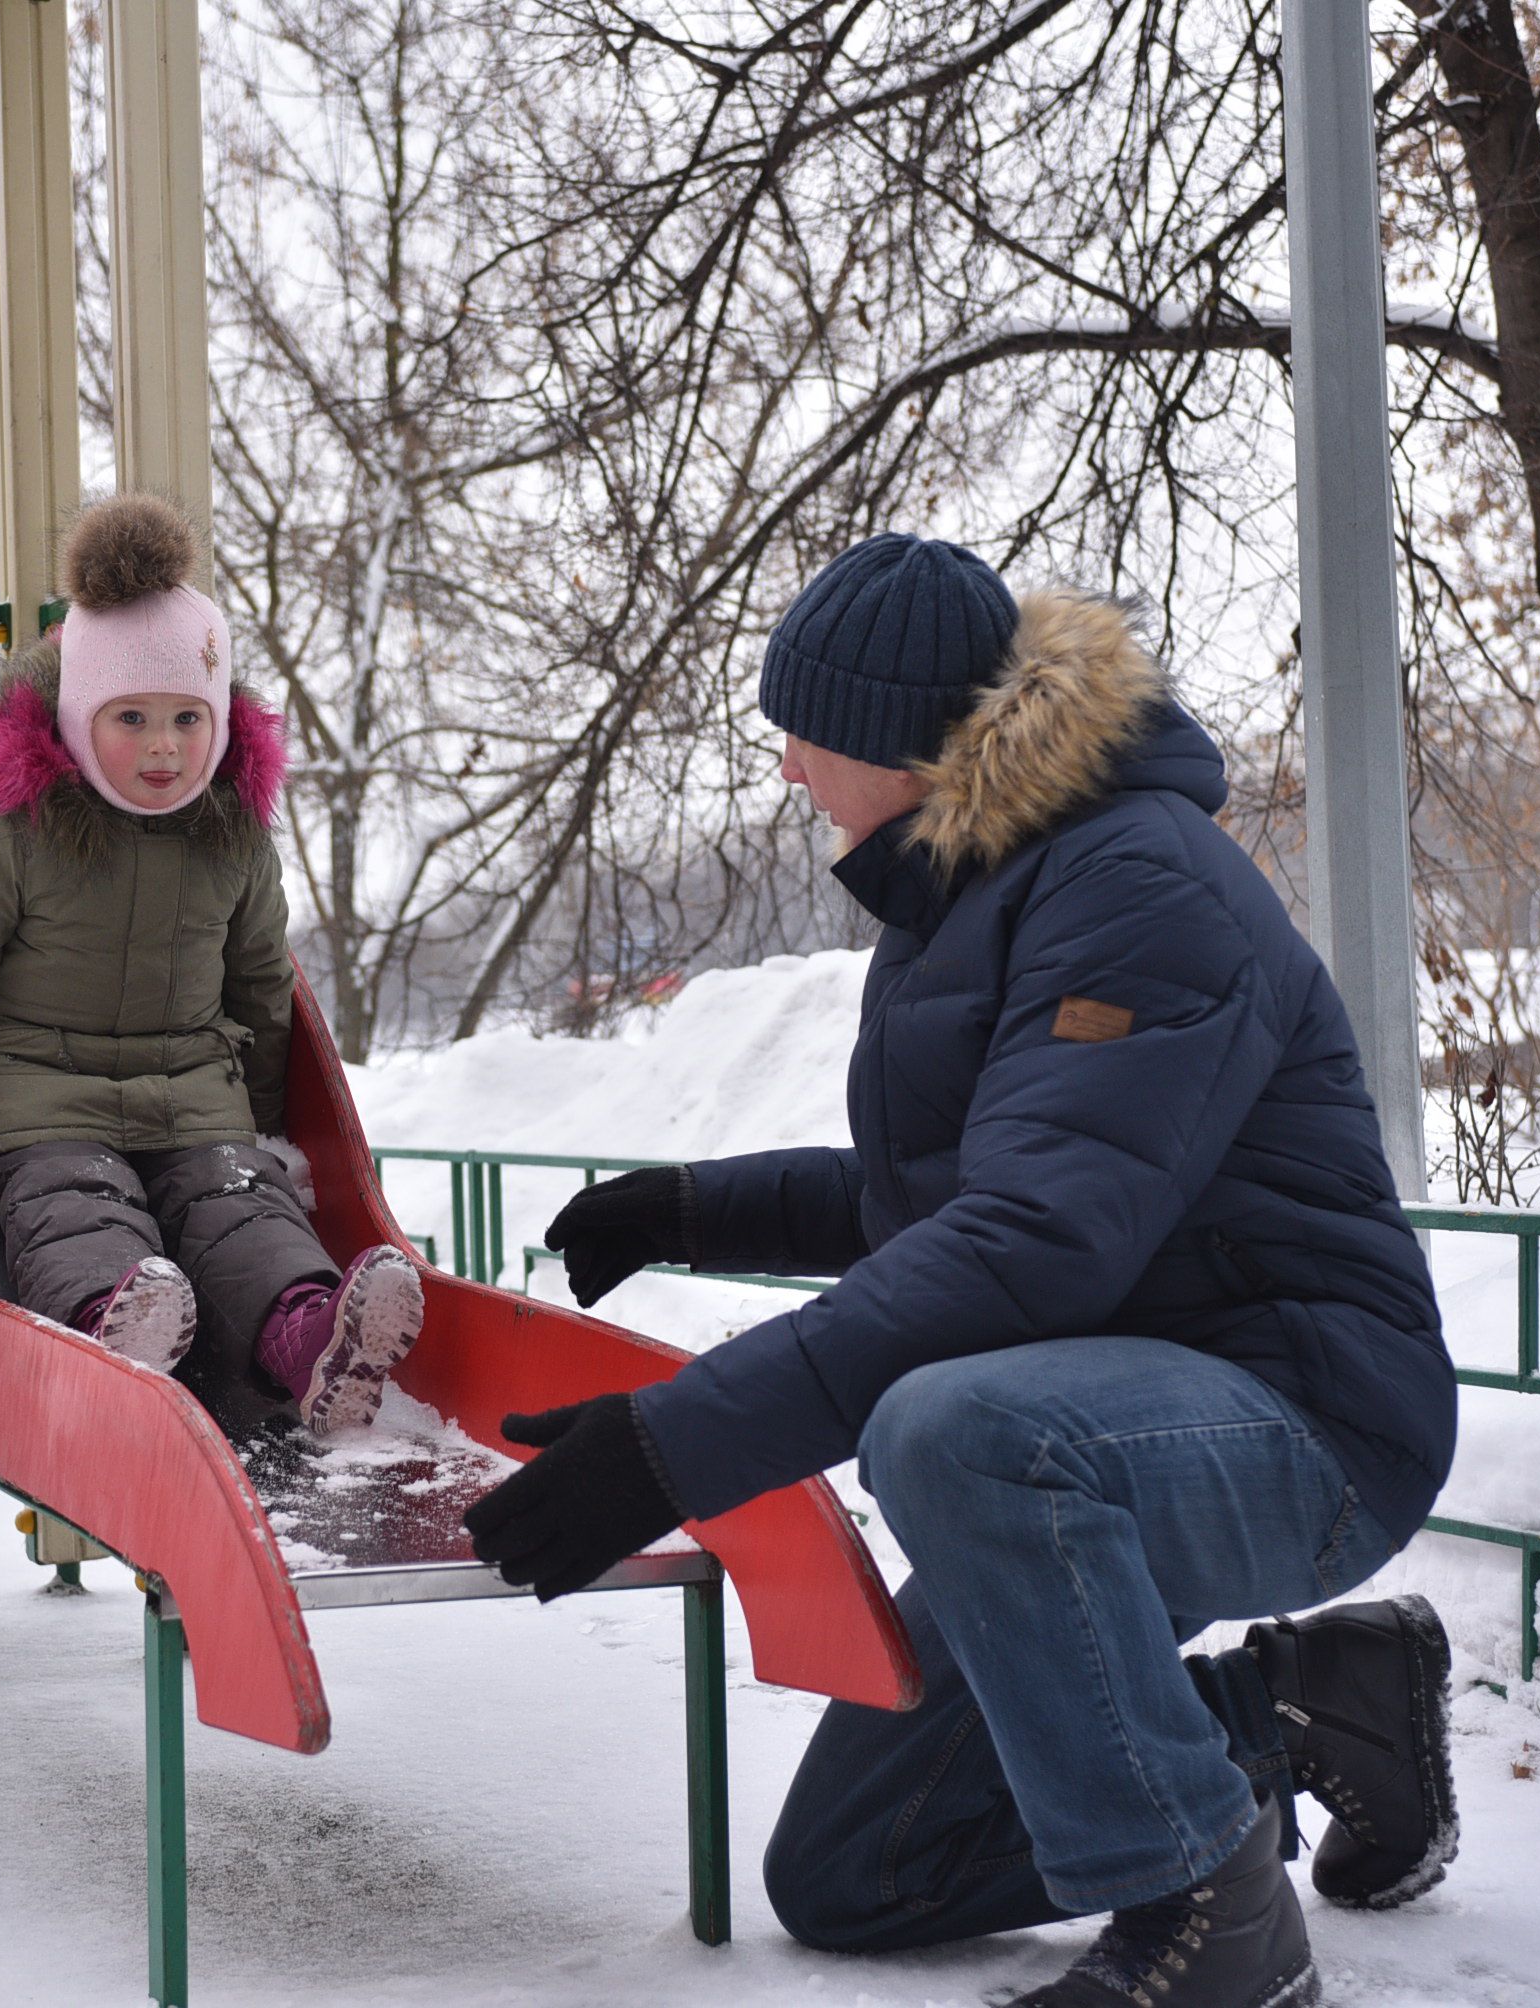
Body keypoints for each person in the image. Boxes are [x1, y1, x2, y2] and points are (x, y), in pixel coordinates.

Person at [464, 535, 1459, 2008]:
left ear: (896, 739)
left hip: (1301, 1424)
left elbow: (1032, 1249)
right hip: (1118, 1414)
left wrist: (678, 1448)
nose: (791, 766)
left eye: (805, 733)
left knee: (948, 1427)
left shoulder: (1141, 888)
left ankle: (1210, 1924)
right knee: (859, 1870)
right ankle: (1306, 1711)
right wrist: (693, 1210)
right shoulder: (977, 895)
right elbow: (940, 1204)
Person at [0, 494, 421, 1437]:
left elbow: (261, 989)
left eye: (187, 717)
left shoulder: (235, 842)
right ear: (77, 714)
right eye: (130, 717)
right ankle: (119, 1325)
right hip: (39, 1107)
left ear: (218, 721)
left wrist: (257, 1132)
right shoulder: (21, 834)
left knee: (240, 1209)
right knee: (75, 1212)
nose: (164, 747)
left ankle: (312, 1344)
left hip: (192, 1101)